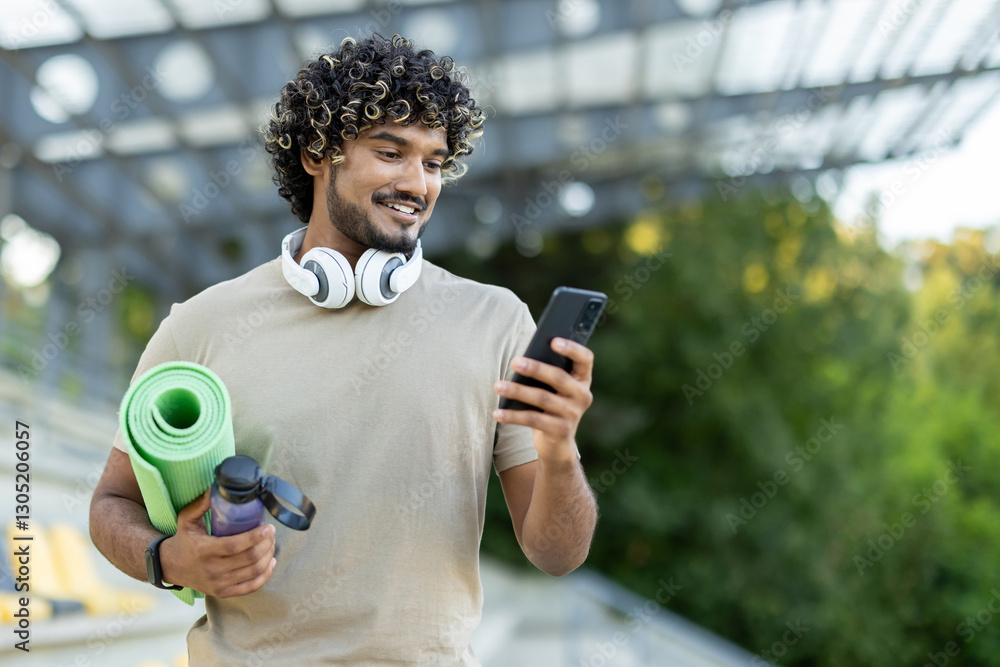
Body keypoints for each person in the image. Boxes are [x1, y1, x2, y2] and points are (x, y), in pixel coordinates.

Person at [90, 34, 598, 665]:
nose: (418, 183)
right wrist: (169, 559)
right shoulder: (202, 324)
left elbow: (556, 553)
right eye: (391, 152)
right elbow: (112, 504)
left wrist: (557, 450)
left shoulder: (496, 322)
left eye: (435, 162)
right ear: (315, 153)